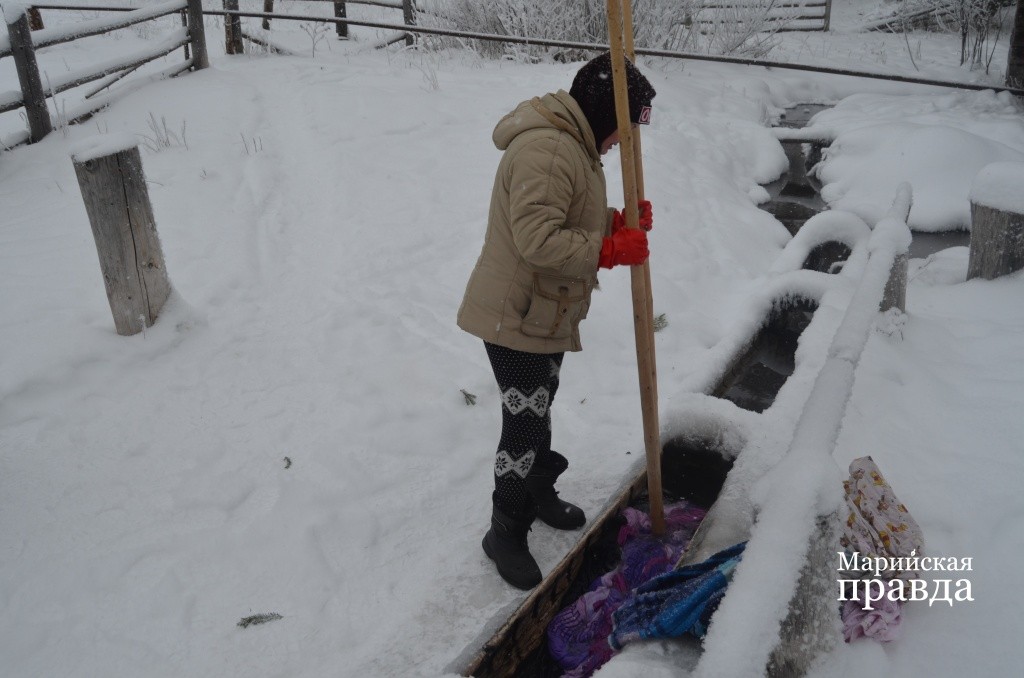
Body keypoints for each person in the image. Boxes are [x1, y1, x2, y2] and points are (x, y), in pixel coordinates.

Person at [457, 52, 657, 590]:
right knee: (523, 423)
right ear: (602, 114)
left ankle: (538, 490)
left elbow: (568, 215)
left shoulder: (573, 145)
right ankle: (504, 530)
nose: (619, 143)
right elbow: (538, 239)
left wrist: (613, 222)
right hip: (514, 317)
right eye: (621, 129)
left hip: (541, 313)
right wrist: (610, 248)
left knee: (539, 408)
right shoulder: (548, 149)